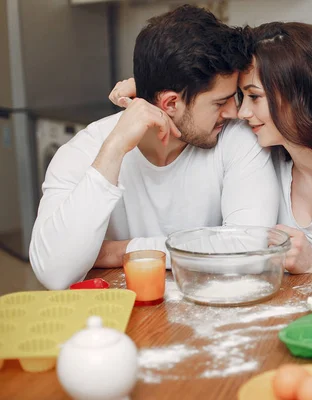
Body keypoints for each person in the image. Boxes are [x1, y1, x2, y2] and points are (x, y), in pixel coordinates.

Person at [111, 22, 312, 274]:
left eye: (254, 97)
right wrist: (147, 90)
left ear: (302, 97)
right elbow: (193, 94)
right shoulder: (275, 157)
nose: (241, 113)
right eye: (240, 97)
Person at [29, 6, 279, 290]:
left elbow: (249, 250)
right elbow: (53, 272)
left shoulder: (237, 139)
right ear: (171, 104)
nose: (236, 112)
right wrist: (114, 149)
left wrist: (115, 251)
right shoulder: (85, 150)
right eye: (220, 103)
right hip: (121, 320)